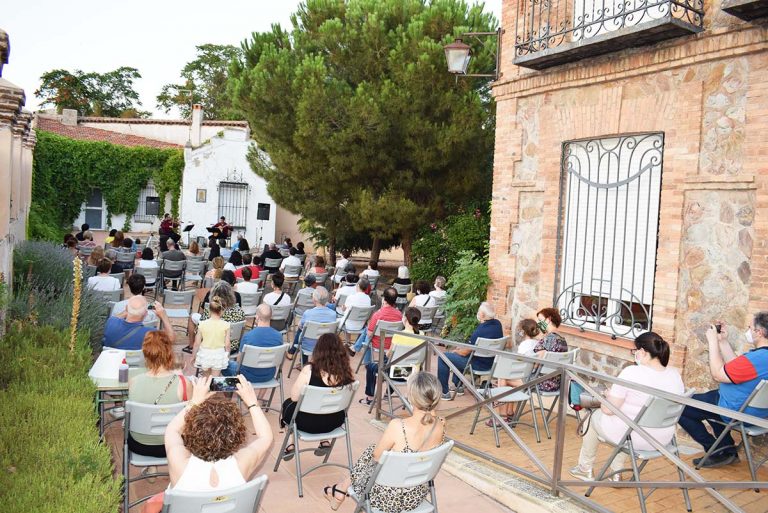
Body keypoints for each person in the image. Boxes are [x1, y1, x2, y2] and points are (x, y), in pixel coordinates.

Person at [141, 375, 272, 513]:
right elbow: (266, 437)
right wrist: (252, 403)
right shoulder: (243, 463)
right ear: (236, 435)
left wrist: (195, 401)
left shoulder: (179, 463)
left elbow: (172, 429)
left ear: (191, 433)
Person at [570, 332, 685, 482]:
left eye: (635, 351)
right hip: (662, 438)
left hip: (635, 437)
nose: (634, 354)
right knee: (627, 420)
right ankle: (616, 473)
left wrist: (607, 396)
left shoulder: (632, 373)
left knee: (593, 417)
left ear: (643, 352)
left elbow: (608, 410)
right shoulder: (674, 375)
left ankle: (584, 469)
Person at [323, 372, 445, 512]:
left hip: (387, 499)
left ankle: (340, 489)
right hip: (417, 495)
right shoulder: (441, 425)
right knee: (380, 454)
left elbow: (376, 457)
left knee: (373, 452)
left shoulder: (398, 426)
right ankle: (341, 488)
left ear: (411, 397)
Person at [678, 313, 768, 468]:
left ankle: (717, 451)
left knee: (680, 407)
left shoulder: (758, 358)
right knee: (707, 399)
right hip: (757, 410)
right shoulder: (761, 357)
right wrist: (723, 342)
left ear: (759, 333)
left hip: (736, 410)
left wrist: (712, 342)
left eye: (750, 328)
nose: (748, 330)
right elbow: (735, 368)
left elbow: (718, 374)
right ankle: (727, 451)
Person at [281, 333, 355, 457]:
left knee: (288, 404)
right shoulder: (347, 374)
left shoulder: (309, 370)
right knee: (326, 406)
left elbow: (294, 397)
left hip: (308, 423)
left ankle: (290, 443)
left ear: (318, 351)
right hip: (334, 421)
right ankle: (324, 441)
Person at [127, 331, 191, 458]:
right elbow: (192, 417)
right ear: (169, 353)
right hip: (174, 444)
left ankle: (152, 467)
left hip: (140, 444)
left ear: (145, 353)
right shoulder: (183, 383)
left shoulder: (133, 381)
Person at [437, 302, 503, 400]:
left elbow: (465, 352)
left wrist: (456, 351)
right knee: (460, 355)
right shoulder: (498, 324)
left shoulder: (480, 330)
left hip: (476, 364)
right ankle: (457, 386)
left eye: (479, 311)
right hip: (491, 363)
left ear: (482, 315)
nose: (478, 313)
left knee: (443, 357)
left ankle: (444, 392)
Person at [360, 308, 424, 404]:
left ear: (405, 319)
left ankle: (370, 397)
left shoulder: (398, 336)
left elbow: (389, 355)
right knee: (391, 363)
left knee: (372, 366)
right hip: (414, 372)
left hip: (396, 373)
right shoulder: (422, 335)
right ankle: (388, 393)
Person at [485, 318, 541, 425]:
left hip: (526, 380)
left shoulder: (524, 346)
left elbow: (518, 367)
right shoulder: (537, 343)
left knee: (502, 378)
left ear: (522, 332)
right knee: (505, 380)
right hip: (533, 378)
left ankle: (501, 417)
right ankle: (509, 412)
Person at [225, 304, 284, 398]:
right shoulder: (279, 336)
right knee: (267, 364)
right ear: (271, 317)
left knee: (225, 365)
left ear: (257, 317)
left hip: (247, 376)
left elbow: (239, 361)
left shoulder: (248, 336)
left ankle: (229, 395)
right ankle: (259, 399)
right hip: (269, 375)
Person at [183, 281, 245, 354]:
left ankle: (191, 346)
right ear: (231, 294)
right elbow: (242, 330)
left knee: (193, 317)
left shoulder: (211, 311)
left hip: (213, 348)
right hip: (232, 348)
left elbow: (200, 331)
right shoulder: (240, 311)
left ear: (214, 295)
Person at [349, 287, 403, 361]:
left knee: (368, 335)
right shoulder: (400, 315)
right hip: (392, 344)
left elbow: (369, 334)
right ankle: (354, 348)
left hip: (377, 344)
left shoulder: (377, 314)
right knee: (368, 330)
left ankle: (366, 362)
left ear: (384, 299)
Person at [103, 296, 175, 350]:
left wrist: (127, 311)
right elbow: (171, 339)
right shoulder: (150, 334)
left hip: (114, 364)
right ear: (145, 314)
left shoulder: (111, 323)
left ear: (127, 308)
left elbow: (115, 318)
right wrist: (163, 316)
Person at [288, 287, 337, 360]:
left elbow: (300, 326)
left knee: (302, 331)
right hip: (325, 345)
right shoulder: (333, 314)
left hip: (308, 345)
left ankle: (303, 362)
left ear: (314, 300)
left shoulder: (308, 313)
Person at [191, 298, 230, 377]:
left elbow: (197, 343)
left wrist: (193, 355)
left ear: (209, 310)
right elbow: (227, 344)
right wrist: (227, 355)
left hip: (205, 353)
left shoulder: (202, 324)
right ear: (222, 310)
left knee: (205, 377)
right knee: (215, 379)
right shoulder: (226, 325)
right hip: (218, 354)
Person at [533, 307, 569, 392]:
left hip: (541, 382)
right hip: (557, 383)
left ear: (548, 319)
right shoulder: (562, 340)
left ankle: (496, 403)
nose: (538, 323)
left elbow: (536, 363)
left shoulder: (548, 339)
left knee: (506, 380)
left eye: (540, 320)